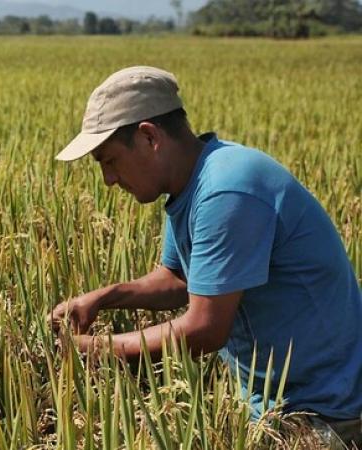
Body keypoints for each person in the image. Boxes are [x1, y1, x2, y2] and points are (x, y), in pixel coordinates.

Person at [49, 66, 362, 447]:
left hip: (323, 409)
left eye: (109, 160)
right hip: (270, 402)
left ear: (149, 137)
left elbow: (204, 329)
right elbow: (178, 279)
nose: (109, 180)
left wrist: (98, 351)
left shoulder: (227, 190)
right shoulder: (190, 184)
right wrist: (104, 297)